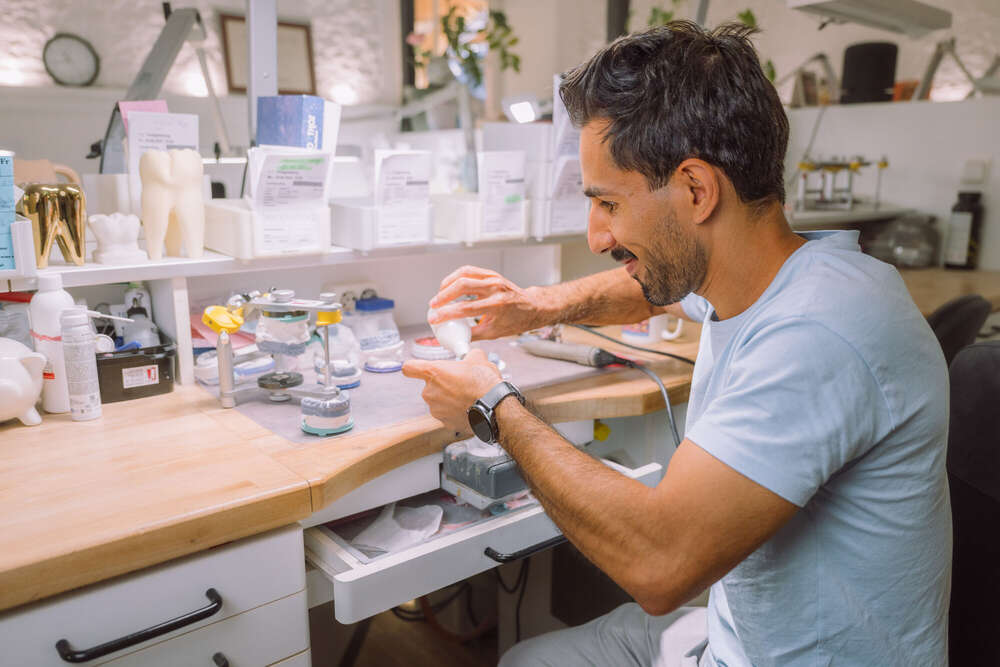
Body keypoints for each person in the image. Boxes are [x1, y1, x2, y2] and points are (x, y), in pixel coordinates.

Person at [402, 21, 951, 666]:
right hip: (731, 633)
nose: (597, 234)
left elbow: (658, 563)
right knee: (526, 659)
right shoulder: (779, 274)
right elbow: (655, 290)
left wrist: (492, 404)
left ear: (696, 190)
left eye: (607, 202)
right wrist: (532, 307)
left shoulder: (818, 333)